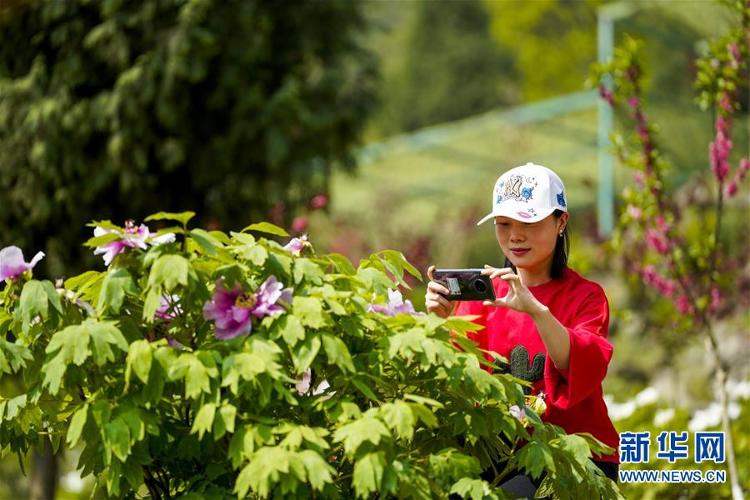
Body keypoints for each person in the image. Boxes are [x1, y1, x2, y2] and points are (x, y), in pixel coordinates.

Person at [425, 162, 619, 496]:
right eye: (503, 224)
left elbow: (580, 366)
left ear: (561, 222)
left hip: (572, 459)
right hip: (496, 455)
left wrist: (536, 311)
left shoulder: (587, 297)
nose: (515, 235)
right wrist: (438, 321)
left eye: (529, 222)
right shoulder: (482, 297)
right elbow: (455, 378)